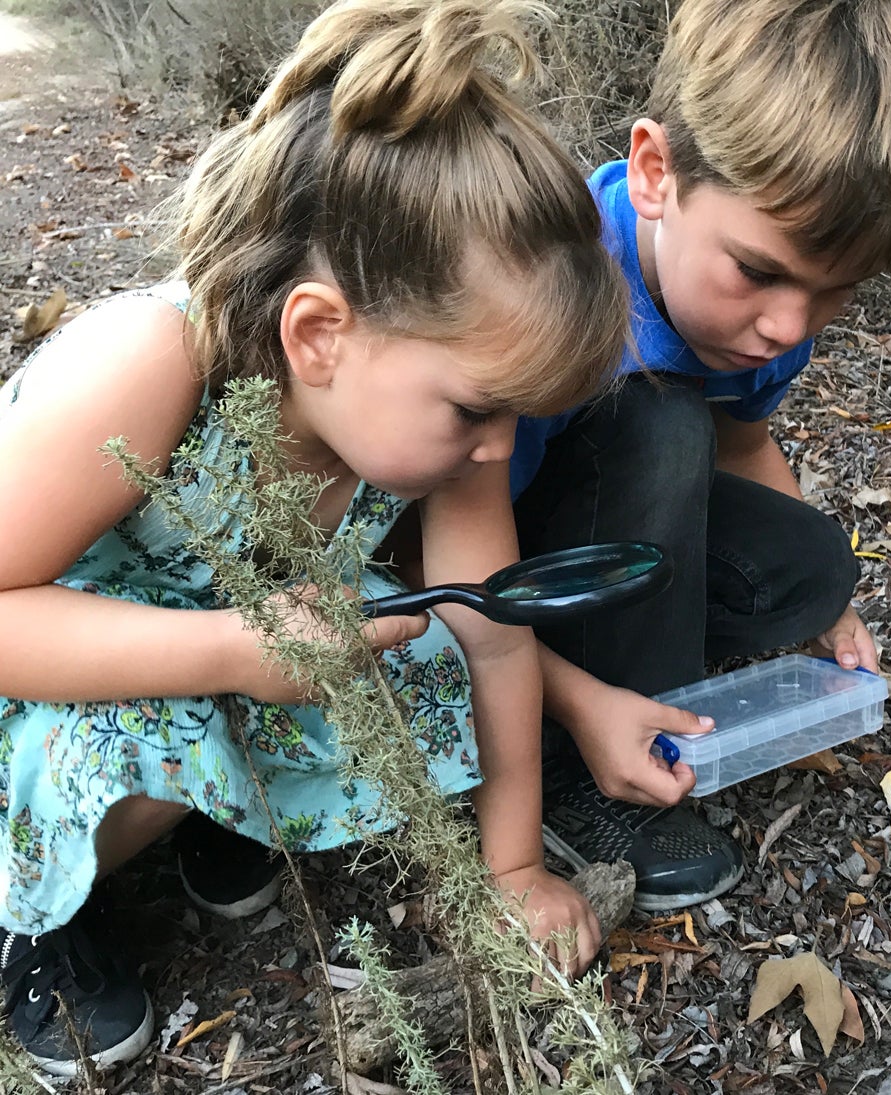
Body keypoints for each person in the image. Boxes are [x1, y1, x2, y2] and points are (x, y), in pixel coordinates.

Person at [0, 0, 631, 1077]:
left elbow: (495, 632)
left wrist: (512, 863)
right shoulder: (151, 362)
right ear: (319, 333)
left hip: (239, 654)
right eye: (479, 408)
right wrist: (240, 653)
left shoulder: (432, 438)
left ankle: (206, 811)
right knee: (149, 720)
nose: (498, 450)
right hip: (51, 677)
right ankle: (30, 918)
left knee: (428, 649)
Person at [512, 0, 891, 911]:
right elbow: (434, 556)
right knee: (667, 423)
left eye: (835, 291)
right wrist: (579, 699)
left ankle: (636, 666)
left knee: (816, 565)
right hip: (486, 569)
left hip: (603, 536)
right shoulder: (547, 297)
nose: (789, 325)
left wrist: (829, 614)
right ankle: (580, 767)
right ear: (654, 172)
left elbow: (746, 444)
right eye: (756, 271)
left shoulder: (768, 320)